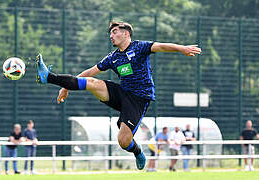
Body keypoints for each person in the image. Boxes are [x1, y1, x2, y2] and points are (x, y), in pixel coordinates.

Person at [35, 21, 201, 170]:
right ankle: (48, 76)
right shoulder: (113, 57)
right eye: (110, 33)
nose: (111, 36)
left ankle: (137, 151)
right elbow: (90, 71)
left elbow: (162, 46)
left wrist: (182, 48)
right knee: (93, 82)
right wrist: (66, 86)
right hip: (122, 93)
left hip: (139, 99)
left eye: (115, 32)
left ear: (126, 33)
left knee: (123, 141)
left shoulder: (139, 47)